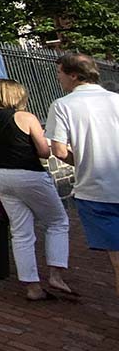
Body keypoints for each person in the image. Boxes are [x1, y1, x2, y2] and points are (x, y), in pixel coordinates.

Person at [0, 79, 72, 301]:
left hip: (0, 175)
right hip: (29, 173)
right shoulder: (26, 117)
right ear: (16, 95)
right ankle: (56, 274)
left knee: (20, 231)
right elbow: (45, 152)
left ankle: (32, 287)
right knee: (57, 221)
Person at [45, 52, 119, 296]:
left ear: (73, 75)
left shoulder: (63, 105)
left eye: (60, 73)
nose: (59, 79)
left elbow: (58, 149)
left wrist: (83, 160)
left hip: (96, 190)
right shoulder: (116, 100)